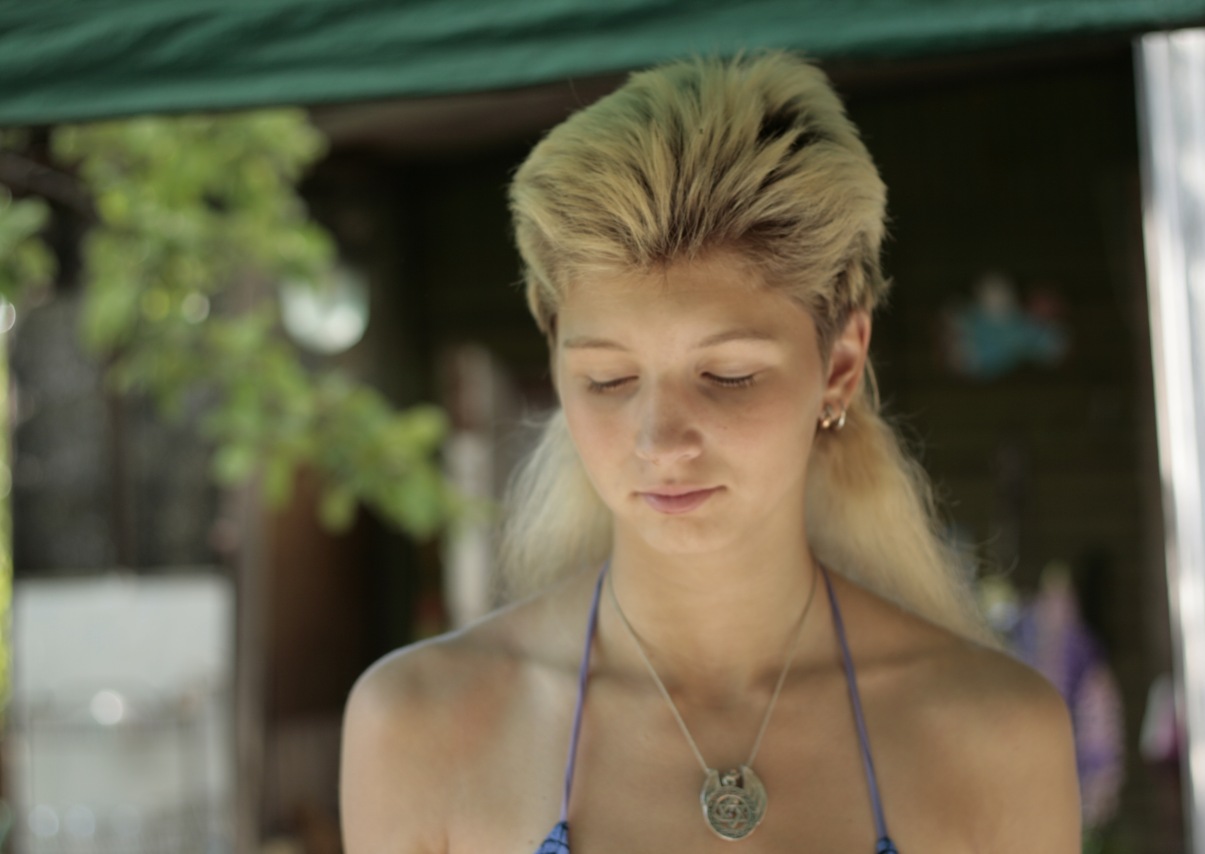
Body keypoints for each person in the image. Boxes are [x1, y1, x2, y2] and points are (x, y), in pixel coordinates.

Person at [340, 51, 1081, 853]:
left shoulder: (998, 739)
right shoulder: (420, 728)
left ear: (839, 365)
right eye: (608, 379)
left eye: (728, 376)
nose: (660, 442)